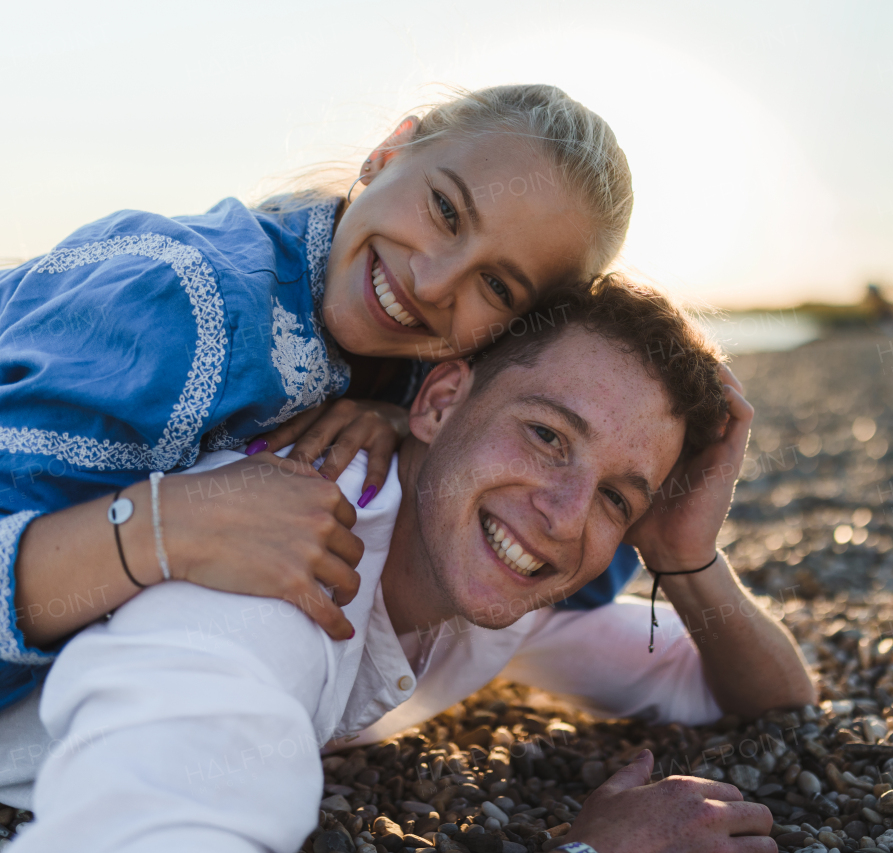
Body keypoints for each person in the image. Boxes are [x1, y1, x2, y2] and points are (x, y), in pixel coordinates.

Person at [0, 278, 815, 852]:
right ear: (437, 401)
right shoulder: (281, 574)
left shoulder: (500, 574)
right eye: (546, 435)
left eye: (616, 498)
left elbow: (757, 691)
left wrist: (684, 554)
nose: (565, 515)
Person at [0, 84, 637, 709]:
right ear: (390, 152)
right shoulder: (188, 305)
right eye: (446, 210)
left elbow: (577, 575)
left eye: (497, 286)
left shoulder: (418, 371)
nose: (433, 281)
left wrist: (406, 421)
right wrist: (167, 530)